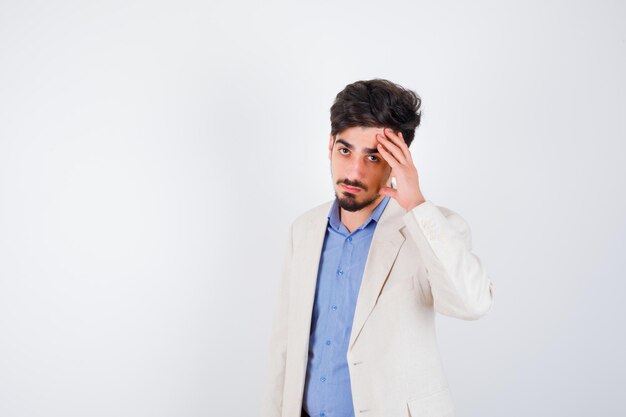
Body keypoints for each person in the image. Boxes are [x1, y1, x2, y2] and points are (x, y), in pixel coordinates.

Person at [261, 79, 495, 417]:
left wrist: (416, 205)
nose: (354, 171)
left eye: (373, 156)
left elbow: (473, 303)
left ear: (398, 160)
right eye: (345, 150)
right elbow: (285, 347)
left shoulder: (430, 228)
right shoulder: (304, 230)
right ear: (330, 146)